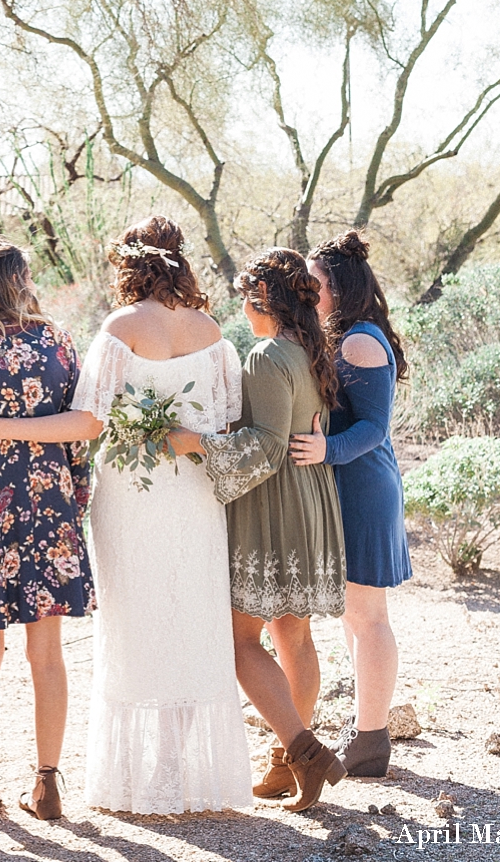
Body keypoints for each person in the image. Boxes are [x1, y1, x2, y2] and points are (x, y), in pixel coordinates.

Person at [68, 216, 252, 817]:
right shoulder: (213, 332)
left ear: (131, 262)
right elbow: (224, 424)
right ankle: (178, 768)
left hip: (129, 492)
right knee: (191, 617)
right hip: (196, 494)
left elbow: (88, 417)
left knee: (133, 622)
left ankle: (141, 779)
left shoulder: (120, 327)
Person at [170, 247, 346, 812]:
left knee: (240, 640)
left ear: (261, 299)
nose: (242, 311)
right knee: (294, 636)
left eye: (246, 299)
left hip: (274, 507)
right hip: (309, 498)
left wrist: (195, 442)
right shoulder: (308, 349)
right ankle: (283, 765)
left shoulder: (267, 355)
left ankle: (302, 752)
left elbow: (268, 446)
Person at [0, 238, 96, 823]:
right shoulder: (56, 343)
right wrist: (73, 491)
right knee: (48, 656)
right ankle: (49, 782)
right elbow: (83, 429)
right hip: (48, 509)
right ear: (20, 282)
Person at [289, 230, 412, 778]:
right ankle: (366, 730)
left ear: (339, 287)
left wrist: (325, 449)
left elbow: (374, 429)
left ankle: (371, 740)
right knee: (354, 617)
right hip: (343, 487)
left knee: (368, 616)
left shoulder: (360, 340)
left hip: (364, 489)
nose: (306, 290)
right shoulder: (338, 336)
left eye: (314, 282)